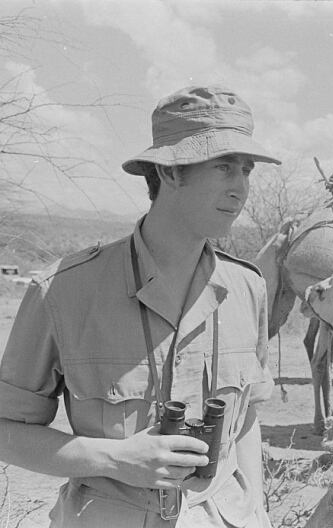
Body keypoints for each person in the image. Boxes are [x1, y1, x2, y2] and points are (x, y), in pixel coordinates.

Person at [0, 85, 280, 527]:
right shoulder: (64, 291)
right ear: (170, 172)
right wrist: (113, 458)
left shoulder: (247, 289)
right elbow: (7, 433)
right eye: (224, 167)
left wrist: (259, 512)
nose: (240, 188)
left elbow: (246, 421)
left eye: (246, 170)